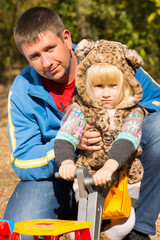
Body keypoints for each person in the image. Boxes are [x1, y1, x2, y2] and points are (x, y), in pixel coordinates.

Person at [3, 6, 160, 240]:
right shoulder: (22, 90)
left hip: (118, 171)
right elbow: (22, 159)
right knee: (23, 231)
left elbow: (156, 100)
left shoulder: (108, 60)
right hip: (58, 180)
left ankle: (137, 231)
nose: (46, 62)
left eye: (50, 48)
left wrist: (124, 122)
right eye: (34, 56)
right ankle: (75, 218)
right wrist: (70, 146)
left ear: (66, 39)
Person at [54, 43, 145, 239]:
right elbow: (66, 136)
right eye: (99, 86)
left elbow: (127, 139)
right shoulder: (82, 109)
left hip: (123, 174)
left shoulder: (133, 112)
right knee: (89, 210)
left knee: (123, 219)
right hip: (91, 172)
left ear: (126, 84)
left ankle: (105, 236)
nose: (106, 93)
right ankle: (82, 232)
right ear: (88, 85)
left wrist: (109, 167)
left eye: (113, 86)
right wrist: (66, 162)